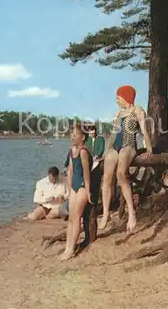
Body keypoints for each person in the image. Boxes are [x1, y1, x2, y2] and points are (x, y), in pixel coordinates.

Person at [99, 85, 153, 232]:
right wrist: (106, 151)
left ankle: (132, 212)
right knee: (107, 177)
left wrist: (149, 149)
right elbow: (112, 136)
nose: (117, 101)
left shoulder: (138, 110)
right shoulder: (119, 113)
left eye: (118, 98)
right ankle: (105, 213)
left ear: (126, 97)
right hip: (116, 146)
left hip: (129, 146)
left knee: (121, 174)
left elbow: (144, 131)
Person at [59, 123, 93, 260]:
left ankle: (71, 249)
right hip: (75, 185)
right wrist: (69, 188)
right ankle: (67, 247)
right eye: (71, 134)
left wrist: (88, 191)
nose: (72, 136)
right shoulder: (71, 150)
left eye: (75, 134)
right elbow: (71, 171)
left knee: (76, 217)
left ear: (83, 137)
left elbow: (86, 173)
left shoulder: (83, 151)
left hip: (83, 186)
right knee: (70, 219)